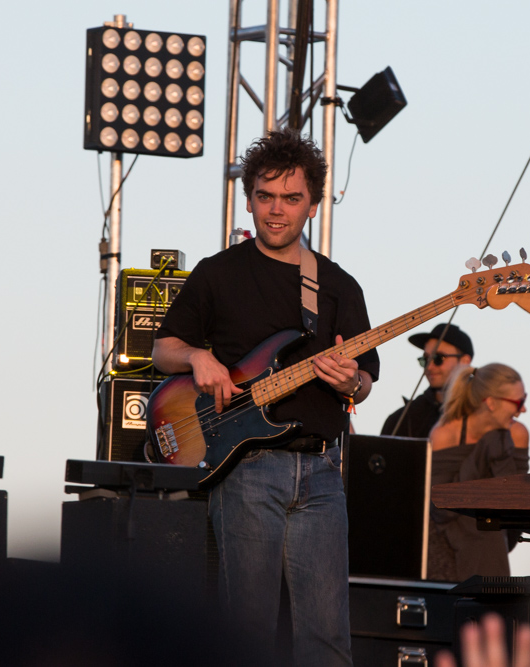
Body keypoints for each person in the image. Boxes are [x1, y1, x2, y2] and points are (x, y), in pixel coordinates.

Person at [152, 127, 379, 665]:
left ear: (313, 206)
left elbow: (366, 379)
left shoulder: (337, 285)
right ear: (250, 197)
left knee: (327, 640)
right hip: (247, 467)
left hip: (323, 473)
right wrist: (198, 358)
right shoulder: (218, 273)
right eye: (265, 197)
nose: (277, 211)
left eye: (291, 199)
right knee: (248, 633)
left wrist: (351, 383)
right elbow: (164, 350)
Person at [426, 364, 529, 581]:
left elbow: (517, 503)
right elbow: (441, 509)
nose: (523, 410)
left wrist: (497, 446)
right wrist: (485, 450)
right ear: (490, 402)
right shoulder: (444, 434)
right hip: (443, 551)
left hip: (491, 549)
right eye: (519, 403)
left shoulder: (517, 434)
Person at [381, 323, 474, 438]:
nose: (429, 367)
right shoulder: (402, 419)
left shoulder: (487, 408)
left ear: (465, 361)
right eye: (425, 359)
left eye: (438, 358)